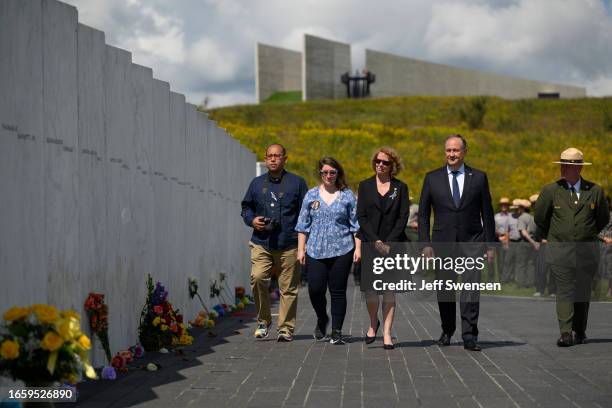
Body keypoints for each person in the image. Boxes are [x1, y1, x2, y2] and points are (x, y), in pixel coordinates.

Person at [418, 134, 495, 352]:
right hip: (443, 243)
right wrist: (425, 244)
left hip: (473, 242)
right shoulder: (432, 178)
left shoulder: (478, 177)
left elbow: (487, 213)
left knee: (470, 289)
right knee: (445, 289)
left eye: (456, 150)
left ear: (464, 152)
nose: (452, 154)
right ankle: (447, 329)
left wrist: (490, 245)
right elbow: (423, 214)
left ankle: (470, 335)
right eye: (448, 150)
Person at [534, 148, 609, 347]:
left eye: (568, 165)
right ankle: (566, 332)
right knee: (564, 290)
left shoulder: (594, 191)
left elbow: (602, 219)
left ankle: (580, 330)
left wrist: (587, 233)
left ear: (579, 168)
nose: (564, 168)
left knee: (583, 291)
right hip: (560, 250)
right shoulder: (551, 191)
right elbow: (541, 217)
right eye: (562, 165)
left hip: (586, 251)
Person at [241, 144, 308, 342]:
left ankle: (285, 328)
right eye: (269, 156)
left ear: (285, 159)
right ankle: (263, 320)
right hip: (261, 242)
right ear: (265, 157)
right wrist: (252, 220)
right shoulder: (256, 183)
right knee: (258, 277)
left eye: (277, 156)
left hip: (289, 243)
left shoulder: (297, 183)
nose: (272, 159)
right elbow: (246, 208)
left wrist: (303, 243)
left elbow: (305, 214)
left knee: (288, 288)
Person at [295, 157, 360, 345]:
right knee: (315, 289)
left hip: (342, 249)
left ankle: (337, 331)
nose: (329, 176)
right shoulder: (311, 195)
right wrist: (301, 249)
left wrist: (358, 248)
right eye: (325, 172)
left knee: (338, 291)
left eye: (332, 172)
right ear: (320, 174)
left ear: (338, 174)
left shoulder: (347, 195)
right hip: (315, 249)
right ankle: (322, 318)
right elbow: (303, 225)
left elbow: (355, 225)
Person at [356, 147, 410, 350]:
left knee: (389, 291)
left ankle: (387, 333)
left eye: (385, 162)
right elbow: (361, 216)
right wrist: (376, 241)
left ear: (393, 165)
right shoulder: (365, 186)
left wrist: (389, 242)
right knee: (371, 292)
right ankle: (373, 323)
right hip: (371, 245)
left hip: (393, 246)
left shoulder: (400, 187)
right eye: (378, 161)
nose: (380, 164)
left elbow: (402, 217)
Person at [494, 197, 511, 283]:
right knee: (500, 260)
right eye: (502, 205)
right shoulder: (496, 216)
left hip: (508, 239)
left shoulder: (511, 216)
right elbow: (494, 228)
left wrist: (506, 238)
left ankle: (507, 278)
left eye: (506, 205)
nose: (504, 206)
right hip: (498, 239)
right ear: (500, 206)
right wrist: (500, 237)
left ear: (508, 206)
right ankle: (501, 278)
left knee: (508, 260)